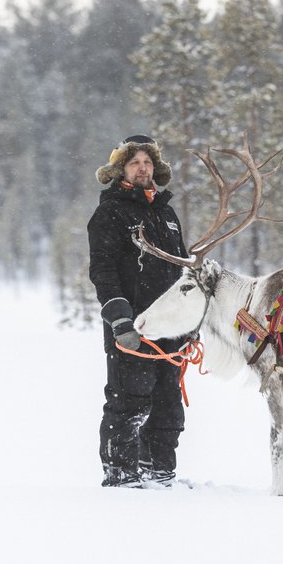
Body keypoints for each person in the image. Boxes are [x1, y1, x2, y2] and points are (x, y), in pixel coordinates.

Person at [88, 135, 188, 488]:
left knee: (167, 408)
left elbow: (182, 273)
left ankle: (159, 474)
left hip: (170, 330)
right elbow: (103, 271)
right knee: (129, 405)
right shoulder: (110, 213)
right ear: (121, 170)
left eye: (147, 162)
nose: (143, 168)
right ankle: (122, 479)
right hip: (132, 328)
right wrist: (119, 320)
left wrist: (189, 323)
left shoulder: (166, 213)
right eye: (135, 163)